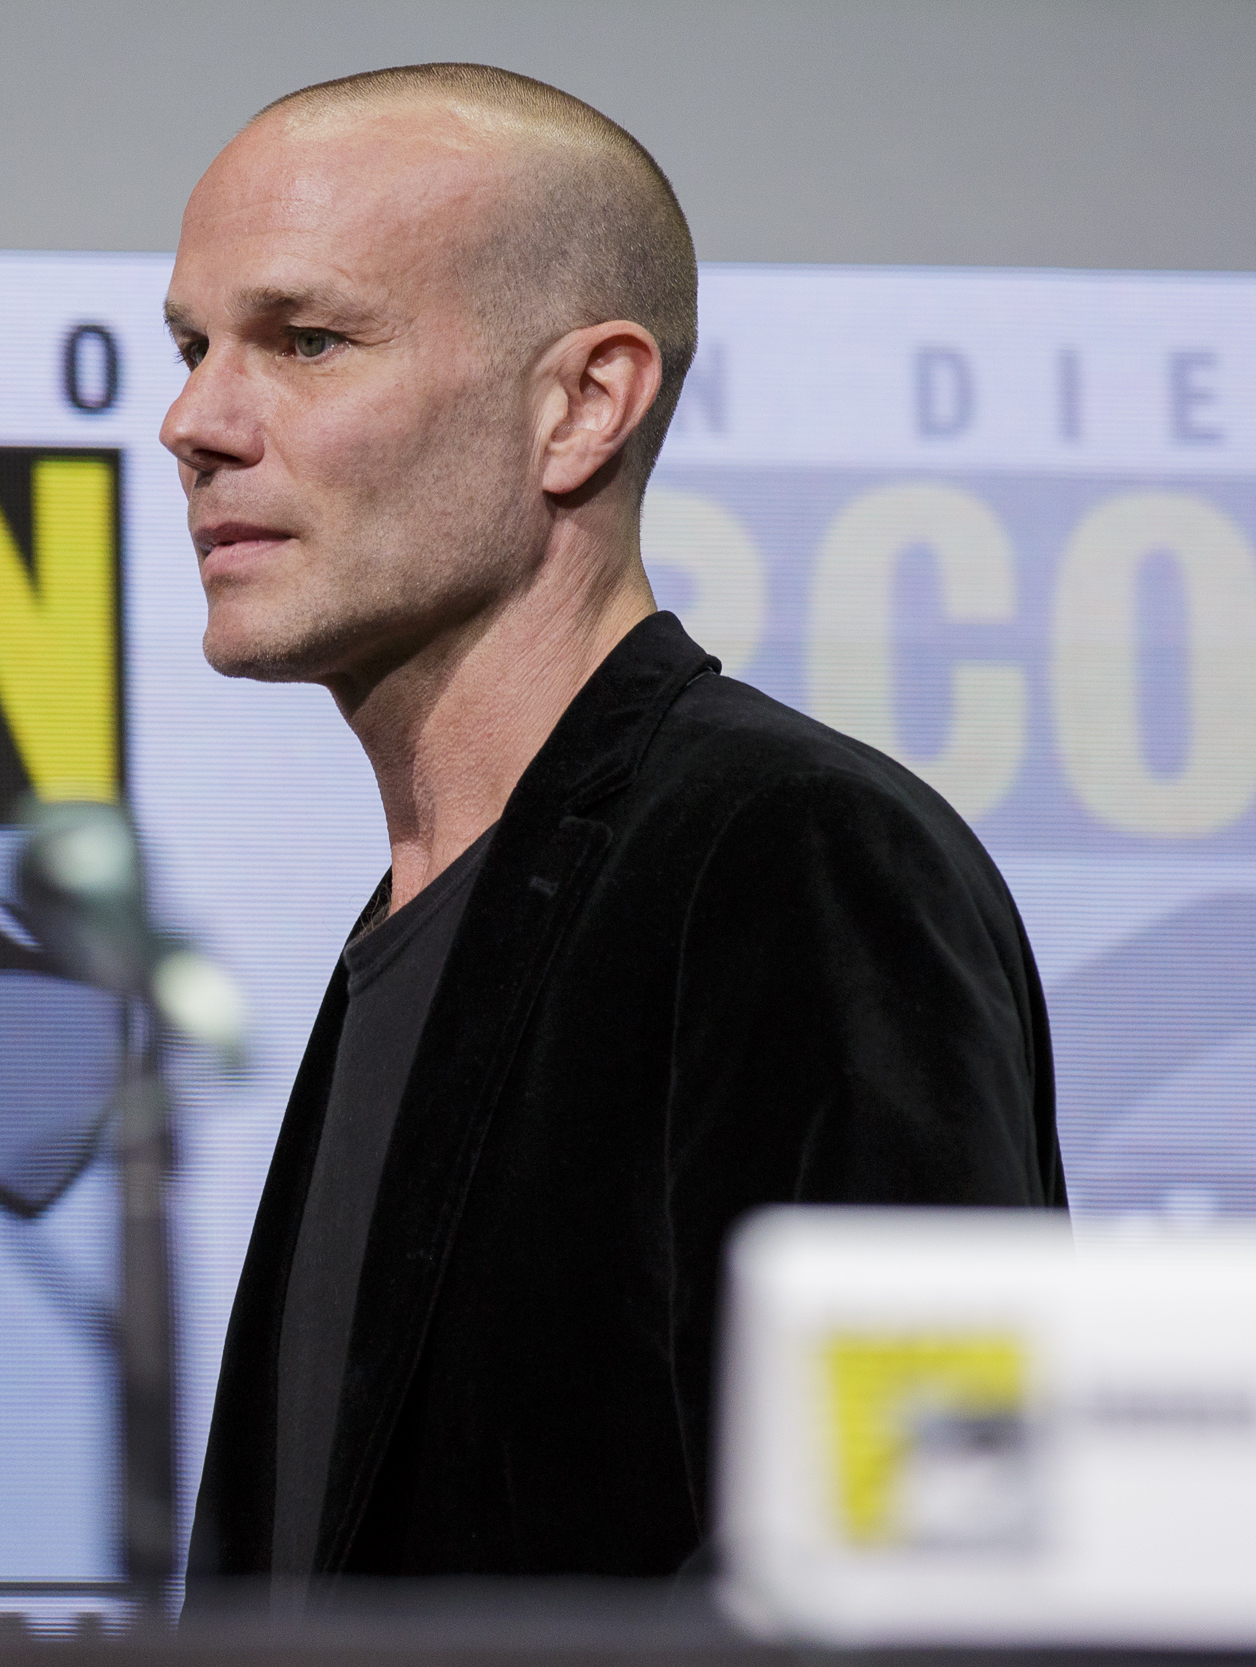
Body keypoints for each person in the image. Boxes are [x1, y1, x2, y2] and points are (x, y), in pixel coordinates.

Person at [164, 65, 1064, 1587]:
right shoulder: (424, 911)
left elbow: (932, 1563)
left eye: (307, 340)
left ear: (583, 405)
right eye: (194, 347)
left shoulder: (796, 859)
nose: (194, 422)